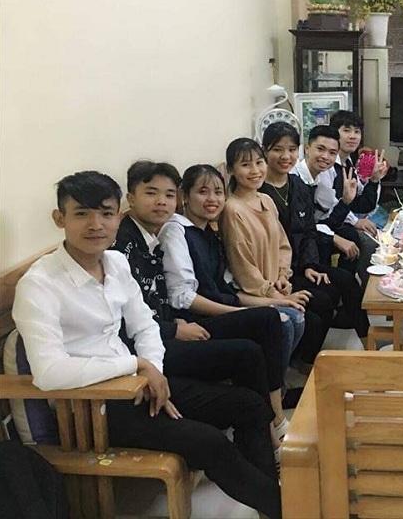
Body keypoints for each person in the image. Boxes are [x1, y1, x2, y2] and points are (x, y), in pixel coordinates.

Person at [13, 171, 282, 517]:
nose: (96, 224)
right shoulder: (39, 284)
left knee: (249, 404)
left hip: (138, 386)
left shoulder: (115, 262)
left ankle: (271, 500)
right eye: (82, 214)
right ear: (59, 218)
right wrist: (137, 365)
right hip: (92, 408)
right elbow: (49, 373)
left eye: (106, 213)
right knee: (209, 442)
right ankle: (285, 508)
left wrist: (152, 367)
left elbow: (144, 326)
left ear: (118, 215)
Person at [112, 161, 291, 448]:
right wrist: (174, 329)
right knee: (254, 342)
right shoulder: (127, 244)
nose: (161, 202)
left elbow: (155, 299)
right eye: (151, 193)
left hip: (168, 329)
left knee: (268, 323)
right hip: (153, 347)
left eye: (168, 195)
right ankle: (271, 427)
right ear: (131, 199)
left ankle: (271, 423)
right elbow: (149, 309)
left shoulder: (158, 237)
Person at [159, 164, 304, 410]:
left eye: (218, 192)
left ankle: (272, 390)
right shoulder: (176, 231)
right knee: (279, 322)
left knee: (294, 314)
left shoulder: (209, 232)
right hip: (196, 320)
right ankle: (272, 405)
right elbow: (183, 297)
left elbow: (228, 288)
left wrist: (276, 301)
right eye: (203, 192)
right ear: (185, 195)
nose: (212, 199)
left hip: (220, 307)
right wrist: (241, 313)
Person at [260, 122, 370, 360]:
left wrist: (310, 265)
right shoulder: (260, 191)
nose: (286, 156)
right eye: (278, 149)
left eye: (291, 150)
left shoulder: (298, 186)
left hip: (301, 263)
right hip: (275, 271)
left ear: (299, 149)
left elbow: (309, 229)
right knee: (325, 297)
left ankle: (368, 344)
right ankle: (308, 360)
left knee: (345, 281)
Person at [220, 138, 313, 370]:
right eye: (245, 165)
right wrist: (273, 293)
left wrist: (282, 276)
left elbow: (283, 244)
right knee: (290, 320)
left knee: (300, 318)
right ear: (231, 170)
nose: (255, 170)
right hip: (249, 292)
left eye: (259, 162)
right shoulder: (232, 209)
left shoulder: (267, 200)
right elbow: (242, 266)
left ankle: (276, 377)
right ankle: (272, 383)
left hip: (274, 285)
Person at [315, 111, 388, 281]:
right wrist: (355, 222)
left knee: (381, 235)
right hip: (322, 226)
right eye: (346, 130)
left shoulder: (348, 163)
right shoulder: (327, 166)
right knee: (368, 243)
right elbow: (330, 206)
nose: (353, 136)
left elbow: (363, 203)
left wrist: (374, 179)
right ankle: (362, 286)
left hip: (339, 220)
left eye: (357, 132)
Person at [293, 125, 360, 266]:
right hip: (297, 254)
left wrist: (346, 201)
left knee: (352, 236)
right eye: (320, 149)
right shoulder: (294, 179)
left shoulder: (320, 178)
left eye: (332, 153)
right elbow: (304, 228)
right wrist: (333, 238)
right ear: (306, 149)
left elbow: (329, 221)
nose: (325, 157)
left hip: (312, 246)